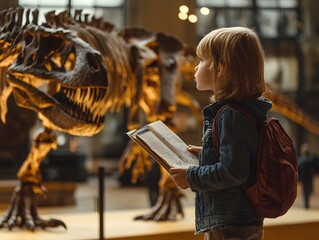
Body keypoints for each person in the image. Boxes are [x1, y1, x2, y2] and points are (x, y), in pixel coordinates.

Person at [169, 26, 272, 240]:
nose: (196, 68)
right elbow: (241, 158)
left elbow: (234, 172)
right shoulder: (243, 110)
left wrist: (191, 177)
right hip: (236, 221)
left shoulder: (231, 115)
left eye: (202, 61)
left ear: (221, 68)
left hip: (231, 225)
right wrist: (207, 153)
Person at [297, 143, 315, 209]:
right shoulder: (310, 159)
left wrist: (299, 178)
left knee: (306, 191)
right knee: (307, 191)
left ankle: (306, 204)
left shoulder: (302, 160)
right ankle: (306, 204)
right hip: (308, 178)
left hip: (305, 178)